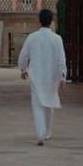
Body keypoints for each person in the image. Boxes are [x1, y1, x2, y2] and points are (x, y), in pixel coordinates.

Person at [17, 8, 67, 146]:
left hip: (36, 76)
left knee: (37, 104)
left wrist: (23, 69)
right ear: (51, 21)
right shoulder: (57, 39)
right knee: (49, 103)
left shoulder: (32, 37)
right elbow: (61, 59)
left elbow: (23, 55)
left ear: (39, 21)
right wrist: (63, 76)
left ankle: (40, 133)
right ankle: (47, 132)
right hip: (52, 76)